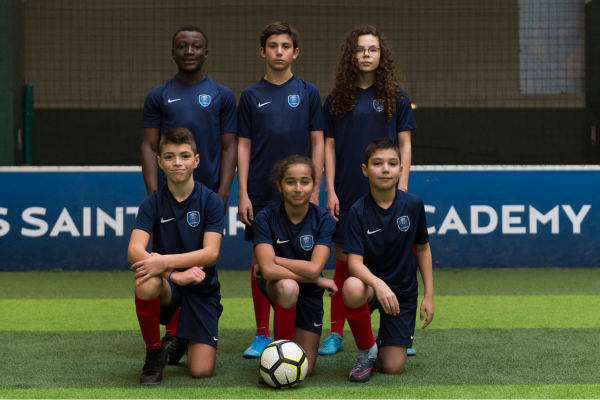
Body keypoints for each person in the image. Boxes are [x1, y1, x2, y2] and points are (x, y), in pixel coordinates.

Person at [319, 25, 417, 356]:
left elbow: (405, 143)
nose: (366, 55)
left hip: (388, 190)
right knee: (344, 260)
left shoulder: (396, 96)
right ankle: (336, 333)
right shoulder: (337, 98)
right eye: (360, 49)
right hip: (347, 190)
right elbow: (329, 146)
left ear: (381, 55)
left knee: (394, 259)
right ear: (351, 55)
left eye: (373, 49)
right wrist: (330, 189)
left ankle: (396, 334)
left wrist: (403, 186)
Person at [141, 25, 237, 364]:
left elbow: (230, 146)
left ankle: (194, 324)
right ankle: (173, 334)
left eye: (196, 46)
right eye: (182, 46)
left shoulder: (222, 95)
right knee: (170, 260)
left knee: (202, 263)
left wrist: (223, 191)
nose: (189, 51)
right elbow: (149, 145)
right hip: (170, 195)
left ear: (206, 52)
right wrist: (155, 193)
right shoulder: (158, 95)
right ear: (173, 52)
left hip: (207, 196)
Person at [237, 22, 325, 358]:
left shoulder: (308, 92)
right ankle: (262, 333)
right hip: (261, 189)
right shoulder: (250, 95)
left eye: (285, 46)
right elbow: (243, 146)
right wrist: (243, 193)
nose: (279, 52)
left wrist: (316, 186)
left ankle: (297, 327)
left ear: (295, 52)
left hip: (301, 188)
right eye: (272, 46)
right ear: (263, 51)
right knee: (260, 261)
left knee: (302, 255)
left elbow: (318, 142)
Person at [129, 127, 225, 385]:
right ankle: (154, 352)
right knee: (146, 281)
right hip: (170, 286)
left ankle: (182, 334)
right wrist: (173, 274)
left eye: (184, 156)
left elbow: (210, 254)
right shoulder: (152, 203)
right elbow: (134, 251)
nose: (177, 162)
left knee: (201, 371)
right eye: (169, 157)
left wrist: (165, 261)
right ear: (160, 162)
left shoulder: (211, 201)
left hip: (202, 289)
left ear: (196, 160)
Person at [342, 138, 434, 383]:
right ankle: (367, 351)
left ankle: (384, 342)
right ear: (365, 170)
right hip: (371, 288)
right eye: (377, 163)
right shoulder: (357, 211)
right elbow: (354, 264)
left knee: (393, 367)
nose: (385, 169)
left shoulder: (413, 205)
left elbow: (423, 248)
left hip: (402, 293)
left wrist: (429, 295)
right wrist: (378, 284)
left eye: (392, 164)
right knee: (352, 286)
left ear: (401, 169)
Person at [253, 155, 337, 375]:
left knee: (305, 370)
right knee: (288, 286)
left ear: (314, 185)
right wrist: (318, 280)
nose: (298, 188)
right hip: (278, 286)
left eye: (304, 182)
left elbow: (314, 268)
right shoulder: (265, 217)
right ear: (280, 185)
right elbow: (267, 271)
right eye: (290, 182)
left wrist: (275, 259)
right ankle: (277, 353)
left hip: (310, 294)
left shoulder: (324, 220)